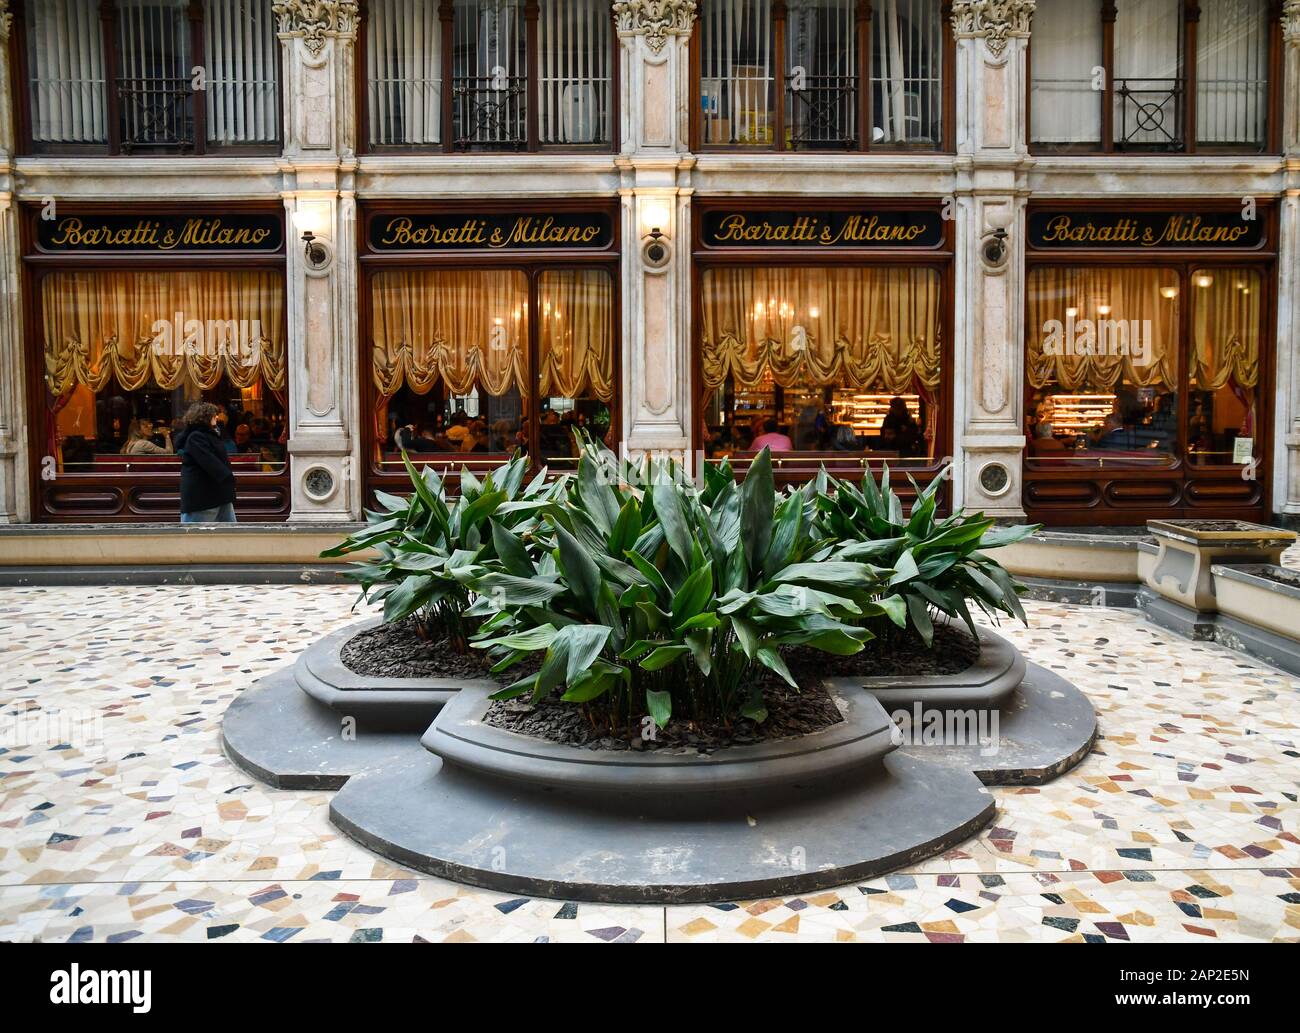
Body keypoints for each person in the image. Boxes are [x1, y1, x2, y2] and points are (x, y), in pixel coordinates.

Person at [175, 402, 237, 523]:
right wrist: (228, 478)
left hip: (218, 494)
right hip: (203, 497)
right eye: (214, 414)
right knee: (197, 537)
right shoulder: (196, 437)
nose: (217, 417)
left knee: (229, 536)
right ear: (205, 417)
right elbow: (209, 461)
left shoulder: (209, 435)